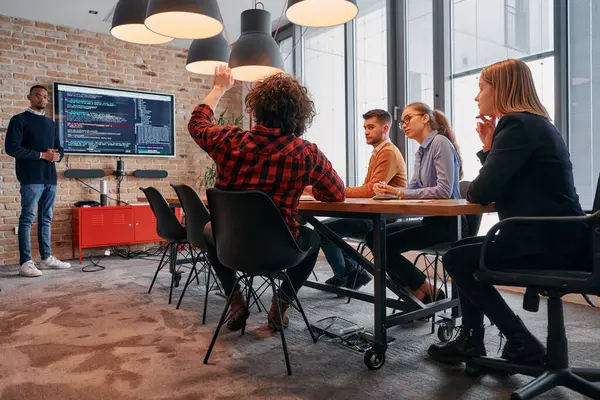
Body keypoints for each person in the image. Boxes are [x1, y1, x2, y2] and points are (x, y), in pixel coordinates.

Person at [427, 59, 590, 375]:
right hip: (564, 236)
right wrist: (489, 148)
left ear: (499, 89)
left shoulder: (515, 125)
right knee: (462, 253)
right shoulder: (536, 124)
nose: (477, 97)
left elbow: (481, 192)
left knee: (459, 260)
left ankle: (519, 342)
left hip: (546, 241)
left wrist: (465, 182)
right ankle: (473, 340)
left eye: (481, 88)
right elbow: (506, 180)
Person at [188, 66, 345, 331]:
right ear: (299, 116)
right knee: (313, 238)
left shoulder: (227, 141)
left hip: (232, 247)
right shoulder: (306, 154)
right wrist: (310, 186)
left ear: (257, 109)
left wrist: (219, 88)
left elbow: (197, 123)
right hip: (279, 251)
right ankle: (280, 304)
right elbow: (337, 194)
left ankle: (236, 300)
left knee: (208, 229)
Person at [366, 102, 464, 303]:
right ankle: (422, 288)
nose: (404, 125)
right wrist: (389, 191)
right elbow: (412, 189)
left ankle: (419, 291)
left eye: (408, 118)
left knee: (381, 242)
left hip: (448, 224)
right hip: (430, 221)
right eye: (402, 122)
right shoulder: (421, 150)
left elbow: (444, 191)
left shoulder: (440, 143)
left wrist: (399, 193)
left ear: (426, 118)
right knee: (373, 236)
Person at [318, 109, 407, 290]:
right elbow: (370, 189)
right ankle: (351, 272)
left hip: (382, 217)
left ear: (385, 128)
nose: (366, 131)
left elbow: (368, 191)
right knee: (325, 228)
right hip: (371, 213)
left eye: (371, 127)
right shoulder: (378, 152)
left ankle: (348, 274)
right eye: (365, 127)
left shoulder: (388, 152)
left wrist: (338, 190)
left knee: (324, 230)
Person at [5, 85, 71, 277]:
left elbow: (59, 148)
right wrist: (42, 155)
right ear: (29, 97)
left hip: (50, 178)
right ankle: (25, 262)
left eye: (45, 97)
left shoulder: (50, 123)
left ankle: (46, 258)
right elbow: (12, 148)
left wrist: (56, 155)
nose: (42, 99)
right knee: (27, 218)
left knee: (46, 219)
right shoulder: (19, 120)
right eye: (38, 96)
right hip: (31, 177)